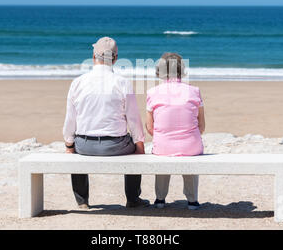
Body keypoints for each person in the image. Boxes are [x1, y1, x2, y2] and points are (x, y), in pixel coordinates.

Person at [63, 36, 149, 209]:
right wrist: (139, 143)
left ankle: (82, 201)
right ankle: (133, 199)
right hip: (116, 145)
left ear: (93, 56)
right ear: (115, 59)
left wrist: (69, 144)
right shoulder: (122, 82)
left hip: (84, 145)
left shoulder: (78, 82)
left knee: (74, 151)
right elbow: (133, 118)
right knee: (135, 148)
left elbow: (70, 118)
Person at [145, 52, 205, 210]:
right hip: (191, 145)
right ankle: (192, 200)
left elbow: (150, 127)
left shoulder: (152, 92)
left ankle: (160, 198)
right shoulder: (195, 91)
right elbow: (202, 126)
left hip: (163, 145)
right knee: (190, 149)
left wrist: (165, 136)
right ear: (181, 70)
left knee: (162, 149)